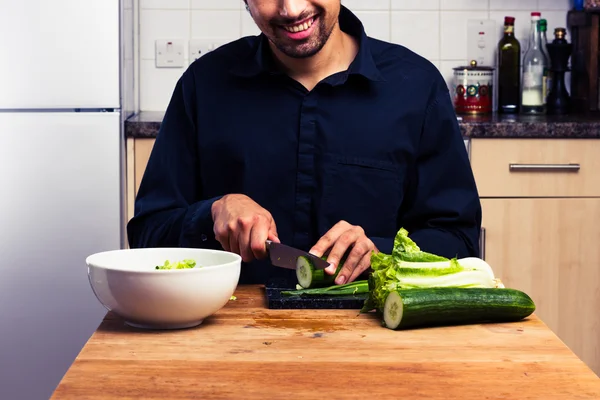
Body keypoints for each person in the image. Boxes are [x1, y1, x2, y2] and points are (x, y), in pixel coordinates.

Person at [127, 0, 482, 286]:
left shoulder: (416, 87)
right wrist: (214, 211)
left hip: (377, 335)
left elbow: (458, 240)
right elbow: (148, 235)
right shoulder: (203, 86)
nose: (292, 9)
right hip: (231, 335)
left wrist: (381, 252)